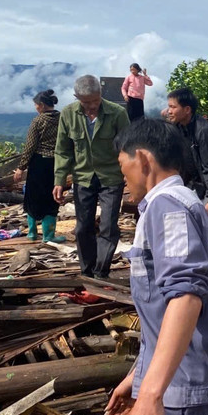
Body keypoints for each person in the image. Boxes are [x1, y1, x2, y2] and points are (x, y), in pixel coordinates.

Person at [106, 118, 208, 415]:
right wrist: (137, 377)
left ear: (143, 159)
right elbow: (165, 315)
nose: (126, 183)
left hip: (188, 402)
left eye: (125, 171)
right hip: (201, 393)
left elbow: (185, 297)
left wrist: (151, 394)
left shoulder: (167, 208)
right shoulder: (191, 206)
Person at [53, 75, 130, 277]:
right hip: (83, 178)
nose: (92, 106)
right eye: (86, 102)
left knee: (108, 226)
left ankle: (101, 271)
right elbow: (62, 150)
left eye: (96, 101)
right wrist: (59, 181)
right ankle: (87, 270)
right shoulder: (68, 114)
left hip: (111, 177)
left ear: (101, 95)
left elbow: (128, 148)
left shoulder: (117, 113)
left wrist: (131, 177)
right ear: (76, 97)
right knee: (83, 227)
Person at [165, 88, 208, 231]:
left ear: (187, 109)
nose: (169, 111)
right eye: (169, 106)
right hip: (194, 183)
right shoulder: (178, 127)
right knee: (195, 227)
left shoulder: (204, 131)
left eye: (173, 107)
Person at [14, 90, 65, 243]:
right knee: (51, 197)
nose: (36, 108)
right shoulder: (63, 118)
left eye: (36, 105)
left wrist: (21, 167)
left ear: (42, 105)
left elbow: (30, 146)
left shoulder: (38, 121)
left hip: (38, 163)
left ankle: (32, 233)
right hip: (56, 162)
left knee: (33, 195)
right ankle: (48, 236)